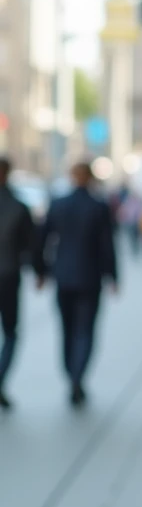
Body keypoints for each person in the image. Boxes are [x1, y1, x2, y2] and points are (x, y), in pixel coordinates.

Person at [35, 161, 118, 405]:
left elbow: (42, 239)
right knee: (85, 330)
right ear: (90, 178)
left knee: (67, 329)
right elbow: (107, 245)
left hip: (63, 276)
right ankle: (77, 376)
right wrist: (113, 276)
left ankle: (71, 373)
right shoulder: (98, 206)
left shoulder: (58, 204)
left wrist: (42, 271)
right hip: (90, 277)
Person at [0, 157, 37, 409]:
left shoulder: (20, 206)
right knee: (11, 332)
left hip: (9, 275)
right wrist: (40, 271)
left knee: (11, 333)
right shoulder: (18, 206)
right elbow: (30, 245)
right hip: (9, 276)